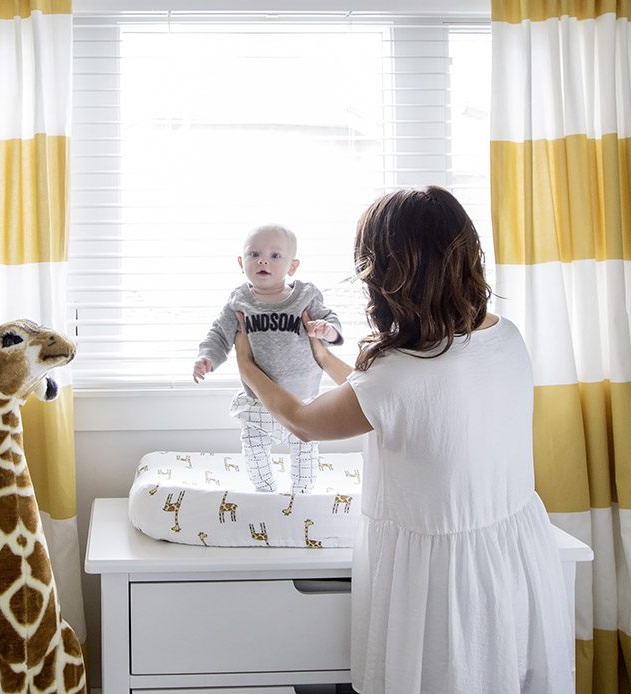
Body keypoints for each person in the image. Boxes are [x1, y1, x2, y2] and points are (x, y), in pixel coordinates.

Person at [233, 187, 574, 693]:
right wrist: (325, 360)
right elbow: (397, 402)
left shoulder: (399, 373)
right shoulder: (503, 335)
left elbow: (305, 422)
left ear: (389, 274)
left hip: (442, 582)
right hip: (513, 555)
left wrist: (248, 367)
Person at [193, 223, 344, 493]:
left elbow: (331, 320)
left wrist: (327, 330)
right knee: (254, 450)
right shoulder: (239, 300)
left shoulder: (306, 296)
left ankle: (301, 494)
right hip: (258, 400)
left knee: (305, 454)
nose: (263, 260)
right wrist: (207, 358)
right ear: (241, 262)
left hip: (303, 400)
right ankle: (267, 492)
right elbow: (219, 333)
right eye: (254, 254)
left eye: (275, 256)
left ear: (292, 266)